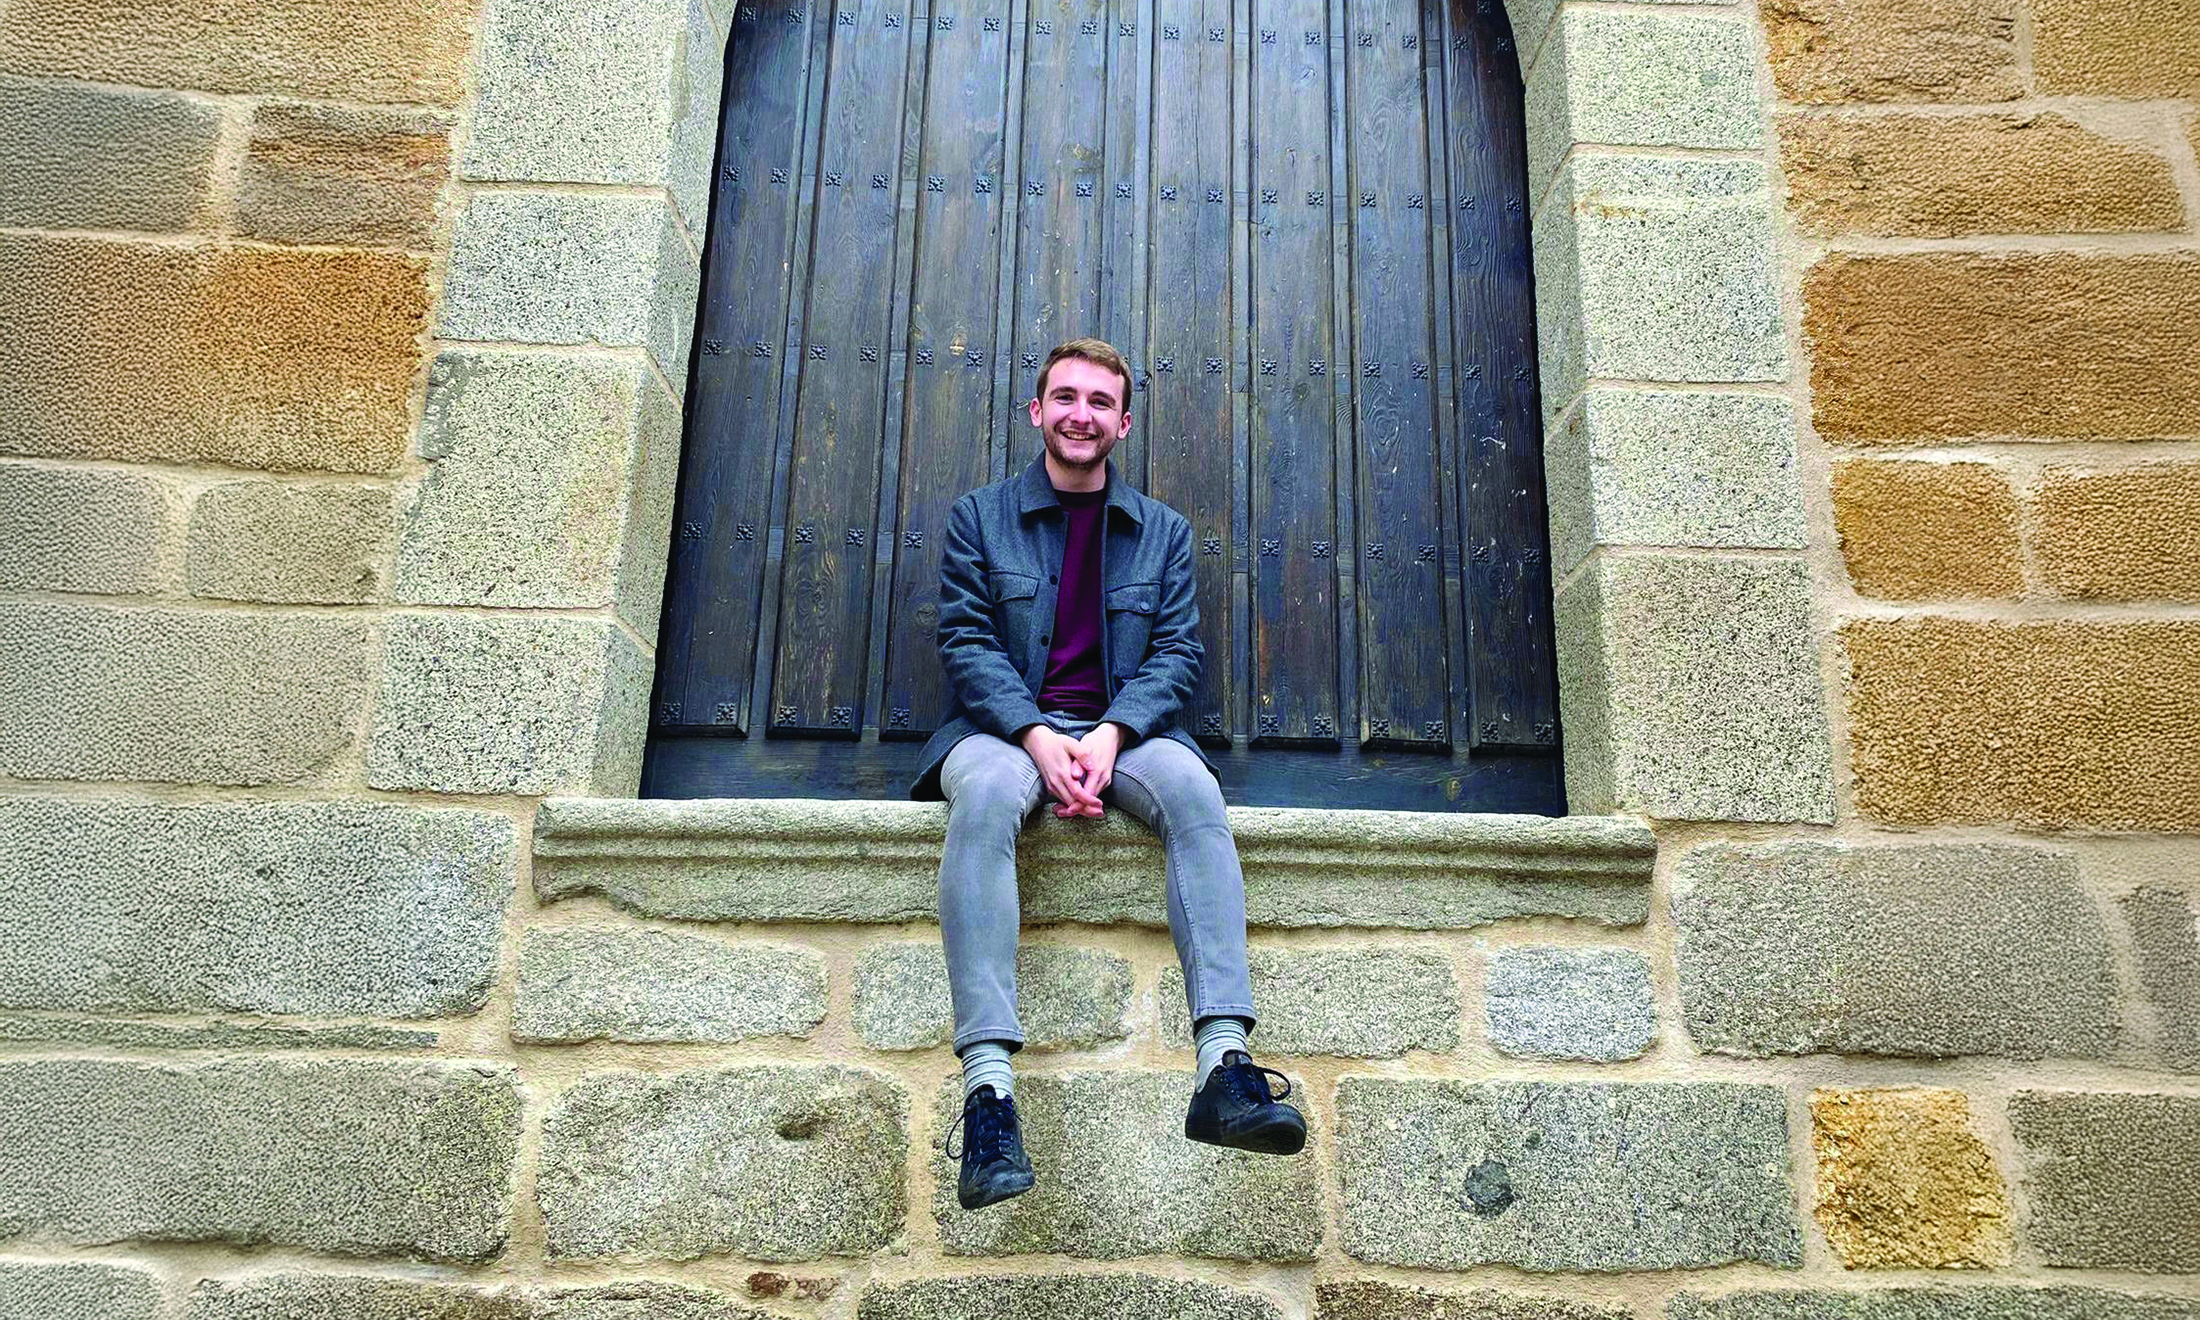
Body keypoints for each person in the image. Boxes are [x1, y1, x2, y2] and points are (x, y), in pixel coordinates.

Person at [908, 336, 1306, 1211]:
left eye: (1099, 402)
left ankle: (1225, 1068)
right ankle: (989, 1096)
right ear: (1036, 412)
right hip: (1001, 731)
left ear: (1123, 423)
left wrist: (1113, 732)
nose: (1080, 415)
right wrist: (1036, 734)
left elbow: (1177, 653)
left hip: (1126, 732)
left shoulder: (1161, 532)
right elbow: (966, 641)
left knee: (1196, 792)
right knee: (985, 797)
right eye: (1065, 397)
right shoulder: (981, 518)